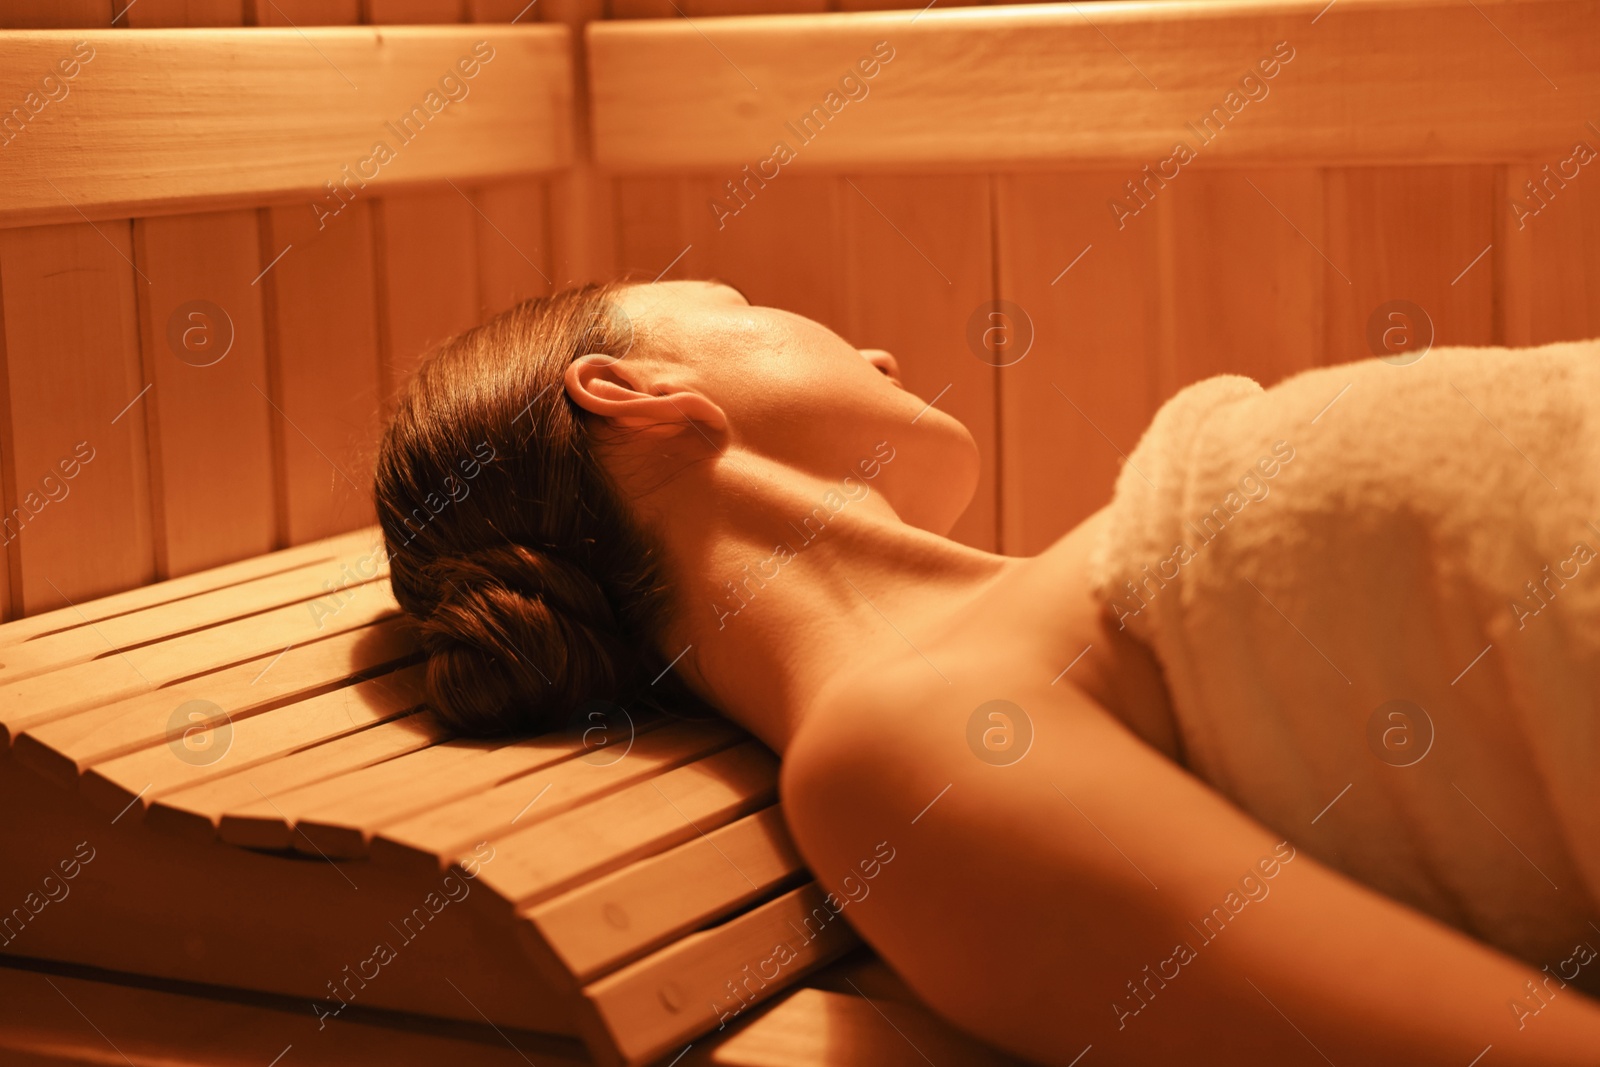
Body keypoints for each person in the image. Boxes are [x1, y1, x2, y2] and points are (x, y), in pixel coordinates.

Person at [373, 279, 1600, 1065]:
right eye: (747, 297)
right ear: (631, 395)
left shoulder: (1059, 599)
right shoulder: (899, 747)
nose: (874, 340)